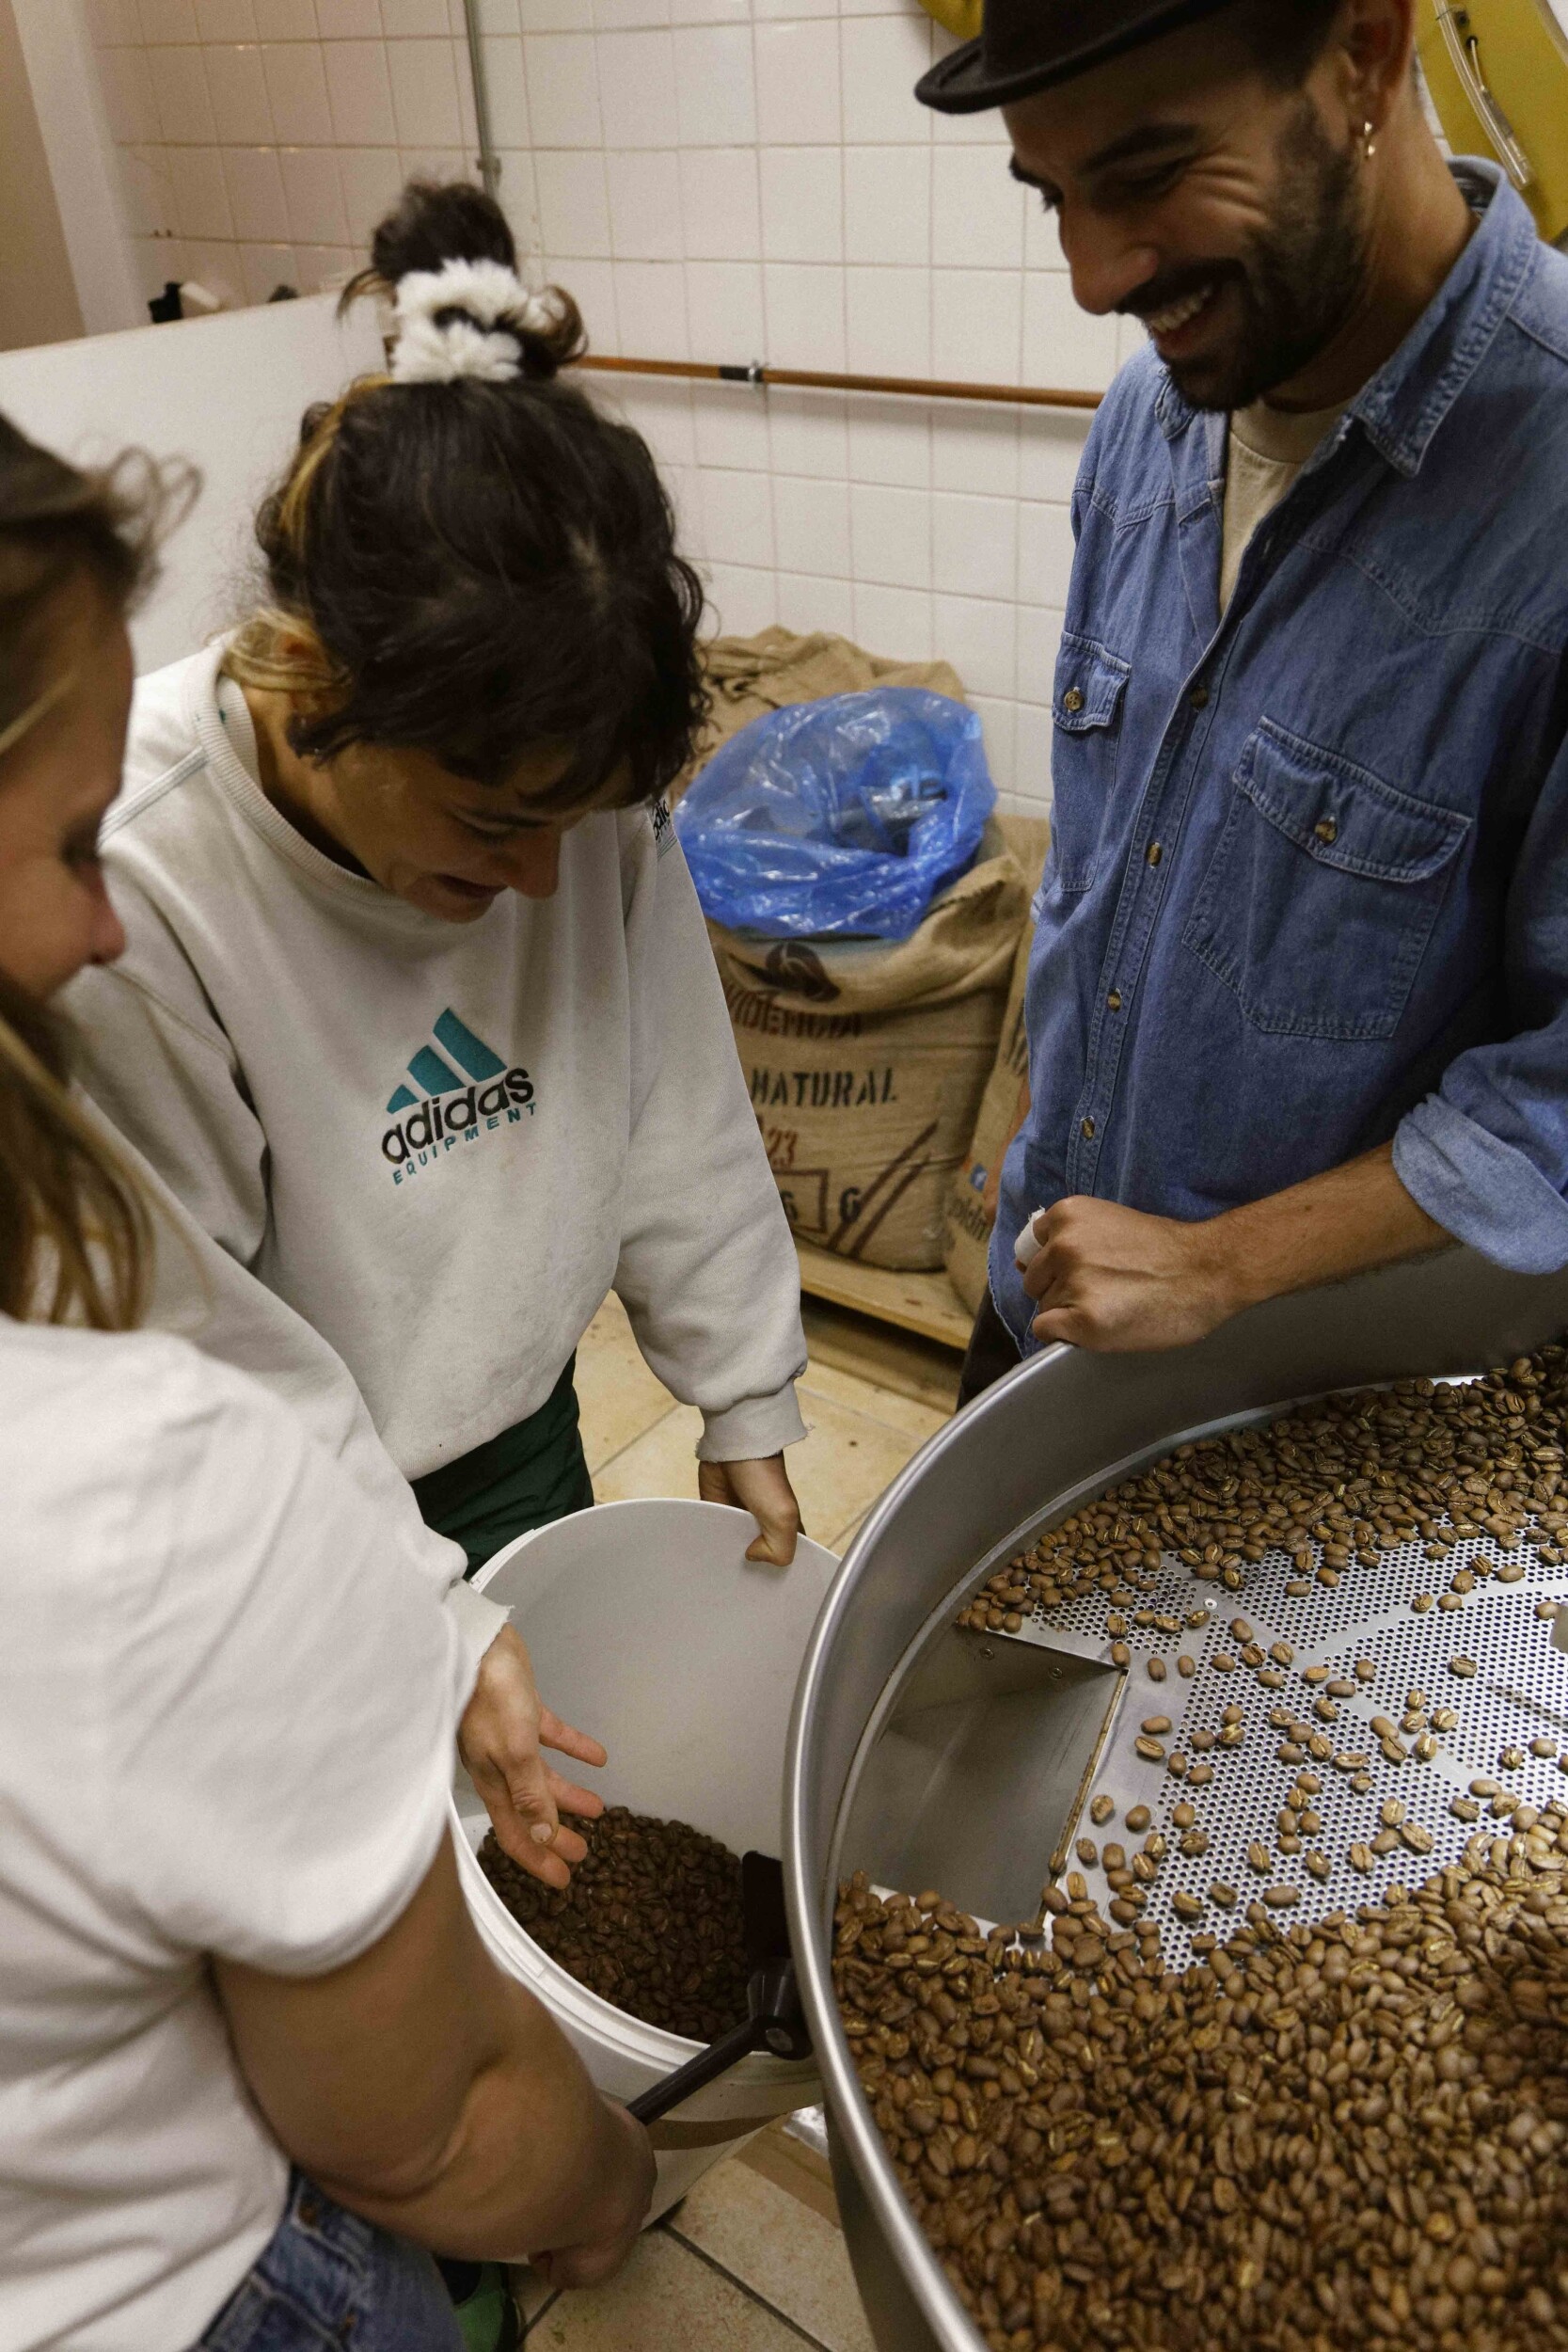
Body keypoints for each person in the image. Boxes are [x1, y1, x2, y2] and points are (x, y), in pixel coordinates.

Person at [0, 416, 654, 2352]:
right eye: (55, 843)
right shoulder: (149, 1483)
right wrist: (603, 2174)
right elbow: (427, 2114)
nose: (93, 917)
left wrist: (741, 1375)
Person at [65, 178, 809, 1600]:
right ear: (310, 676)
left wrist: (745, 1387)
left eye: (573, 828)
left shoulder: (578, 806)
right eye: (492, 824)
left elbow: (674, 1099)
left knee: (558, 1798)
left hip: (510, 1423)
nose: (541, 882)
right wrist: (420, 1617)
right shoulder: (136, 879)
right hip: (274, 1500)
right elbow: (200, 1346)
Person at [916, 0, 1568, 1402]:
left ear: (1366, 58)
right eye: (1056, 198)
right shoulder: (1142, 430)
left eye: (1148, 174)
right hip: (1049, 1307)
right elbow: (1107, 880)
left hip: (1326, 1399)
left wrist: (1221, 1269)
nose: (1093, 278)